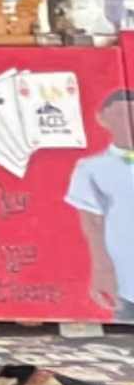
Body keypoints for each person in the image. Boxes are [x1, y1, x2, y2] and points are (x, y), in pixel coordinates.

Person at [69, 90, 134, 313]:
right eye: (120, 115)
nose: (128, 122)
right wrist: (102, 269)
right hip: (126, 281)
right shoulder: (91, 168)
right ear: (103, 118)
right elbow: (92, 223)